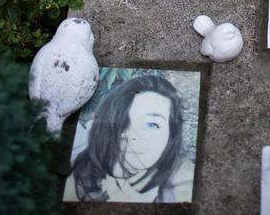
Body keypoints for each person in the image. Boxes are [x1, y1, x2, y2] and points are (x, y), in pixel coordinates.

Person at [64, 74, 194, 204]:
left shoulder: (184, 182)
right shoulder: (78, 170)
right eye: (123, 121)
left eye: (151, 124)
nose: (131, 135)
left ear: (171, 135)